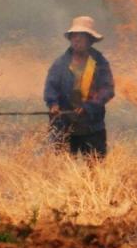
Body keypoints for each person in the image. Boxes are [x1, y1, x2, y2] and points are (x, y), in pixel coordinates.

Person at [44, 16, 114, 156]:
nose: (77, 40)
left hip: (92, 126)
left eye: (81, 36)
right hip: (64, 126)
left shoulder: (100, 63)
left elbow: (107, 90)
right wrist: (53, 104)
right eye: (74, 36)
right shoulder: (60, 63)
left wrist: (88, 107)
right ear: (70, 38)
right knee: (63, 164)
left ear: (90, 40)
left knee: (95, 164)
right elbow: (51, 88)